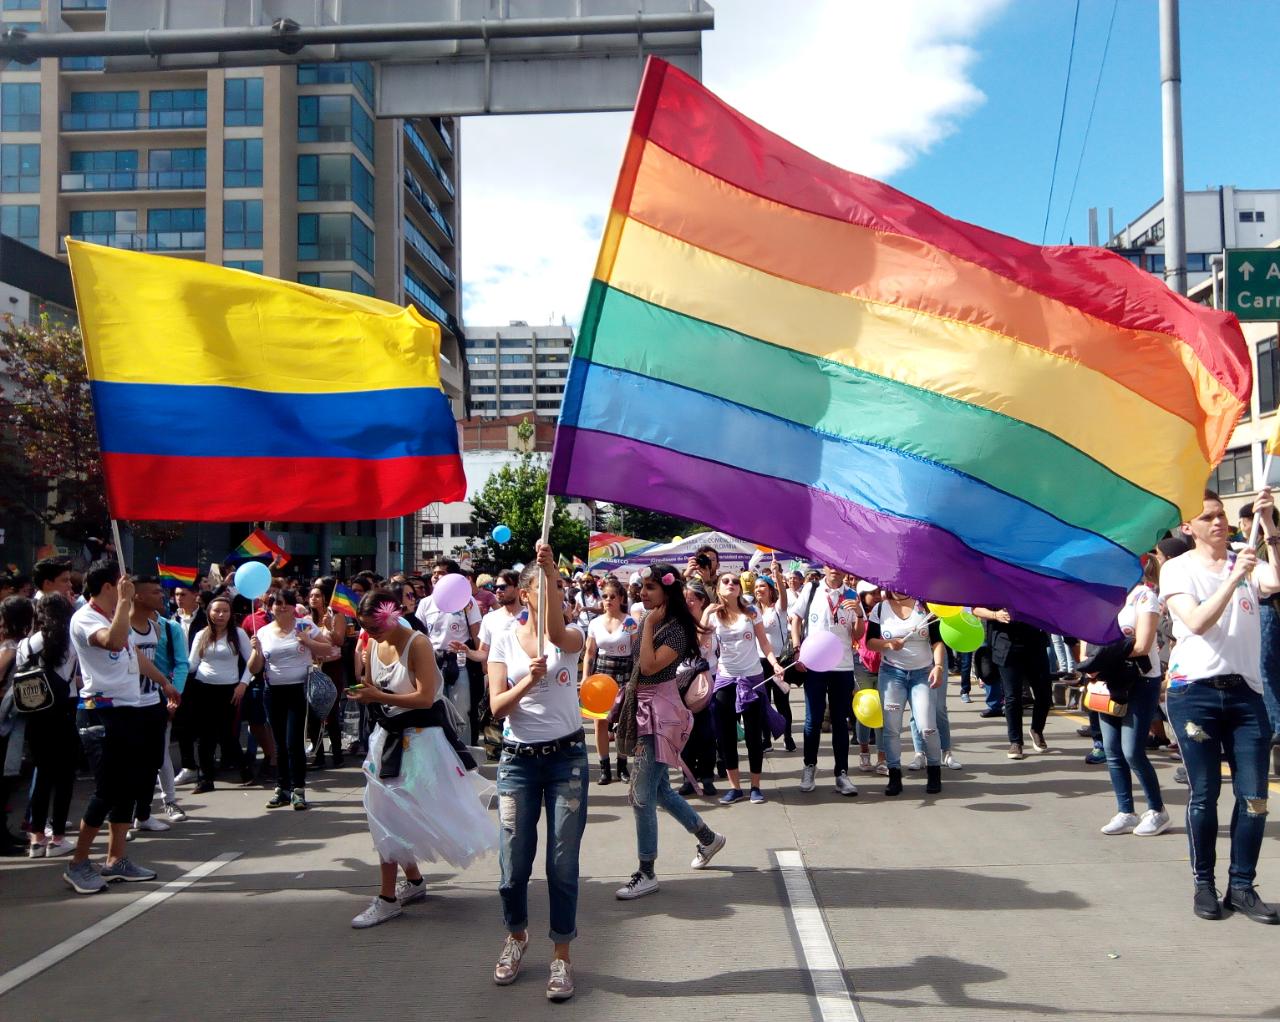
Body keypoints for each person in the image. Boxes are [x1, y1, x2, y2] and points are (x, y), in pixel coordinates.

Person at [1160, 488, 1279, 923]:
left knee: (1254, 798)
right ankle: (1204, 885)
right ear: (1188, 528)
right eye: (1208, 517)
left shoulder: (1247, 557)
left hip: (1246, 695)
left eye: (1221, 515)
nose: (1218, 522)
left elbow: (1277, 582)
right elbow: (1196, 621)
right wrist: (1233, 578)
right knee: (1205, 795)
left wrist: (1268, 528)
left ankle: (1243, 887)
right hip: (1196, 695)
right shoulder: (1177, 569)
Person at [345, 591, 496, 929]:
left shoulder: (419, 644)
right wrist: (363, 692)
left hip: (421, 742)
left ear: (389, 616)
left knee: (396, 815)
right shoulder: (372, 644)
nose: (368, 632)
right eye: (362, 626)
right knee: (386, 813)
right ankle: (411, 881)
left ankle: (388, 899)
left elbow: (425, 697)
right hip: (386, 738)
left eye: (372, 626)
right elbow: (373, 686)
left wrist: (376, 695)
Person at [487, 543, 587, 1001]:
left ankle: (562, 957)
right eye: (547, 588)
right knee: (513, 865)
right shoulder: (504, 638)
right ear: (524, 595)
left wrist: (549, 571)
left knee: (562, 865)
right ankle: (516, 935)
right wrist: (529, 679)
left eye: (561, 588)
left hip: (566, 759)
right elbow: (495, 707)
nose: (557, 594)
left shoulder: (570, 635)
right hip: (518, 762)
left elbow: (552, 628)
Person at [616, 563, 726, 899]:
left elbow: (648, 666)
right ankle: (708, 838)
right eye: (642, 587)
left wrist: (647, 624)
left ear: (667, 591)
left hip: (659, 718)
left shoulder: (676, 629)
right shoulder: (654, 620)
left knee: (640, 795)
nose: (642, 592)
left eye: (650, 587)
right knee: (660, 789)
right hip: (644, 710)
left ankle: (646, 871)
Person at [63, 563, 173, 894]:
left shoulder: (115, 615)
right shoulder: (85, 618)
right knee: (107, 790)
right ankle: (78, 863)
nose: (125, 589)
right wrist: (125, 604)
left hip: (131, 711)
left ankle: (116, 859)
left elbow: (132, 653)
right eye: (121, 585)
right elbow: (113, 642)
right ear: (111, 587)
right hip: (101, 713)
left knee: (131, 787)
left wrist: (164, 682)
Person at [1094, 557, 1170, 837]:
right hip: (1109, 679)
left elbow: (1143, 644)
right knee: (1112, 751)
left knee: (1132, 751)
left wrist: (1101, 656)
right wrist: (1091, 663)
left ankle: (1157, 810)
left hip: (1140, 680)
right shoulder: (1107, 597)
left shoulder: (1145, 596)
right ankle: (1126, 811)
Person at [246, 590, 336, 811]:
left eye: (287, 603)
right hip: (272, 691)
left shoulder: (304, 626)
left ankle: (298, 790)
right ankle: (282, 789)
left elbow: (328, 649)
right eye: (277, 603)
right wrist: (255, 651)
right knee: (279, 745)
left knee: (293, 742)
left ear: (294, 606)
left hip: (299, 690)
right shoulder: (264, 632)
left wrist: (307, 641)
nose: (282, 607)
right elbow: (254, 669)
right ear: (270, 606)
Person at [703, 571, 785, 804]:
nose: (731, 584)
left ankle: (755, 787)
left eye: (735, 582)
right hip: (725, 679)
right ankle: (735, 788)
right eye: (726, 582)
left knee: (753, 734)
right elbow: (701, 646)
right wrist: (704, 619)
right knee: (726, 735)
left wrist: (775, 663)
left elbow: (764, 642)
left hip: (752, 678)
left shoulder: (751, 611)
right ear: (718, 589)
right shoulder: (714, 615)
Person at [791, 564, 863, 796]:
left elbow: (858, 634)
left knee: (841, 721)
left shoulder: (852, 595)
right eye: (831, 565)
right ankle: (809, 766)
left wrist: (859, 615)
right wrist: (796, 650)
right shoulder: (811, 589)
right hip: (814, 664)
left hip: (842, 665)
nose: (836, 570)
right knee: (813, 719)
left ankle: (841, 773)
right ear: (824, 566)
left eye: (841, 567)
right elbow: (796, 620)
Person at [18, 594, 80, 857]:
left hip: (34, 716)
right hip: (63, 714)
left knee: (42, 776)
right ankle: (58, 838)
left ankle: (36, 838)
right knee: (64, 778)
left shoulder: (26, 644)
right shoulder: (69, 642)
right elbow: (77, 678)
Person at [867, 593, 946, 796]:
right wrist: (888, 644)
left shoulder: (926, 606)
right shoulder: (880, 609)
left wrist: (938, 666)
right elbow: (869, 642)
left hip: (922, 674)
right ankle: (894, 775)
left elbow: (937, 641)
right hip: (892, 674)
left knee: (926, 726)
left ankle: (934, 771)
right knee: (892, 728)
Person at [128, 575, 187, 830]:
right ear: (137, 596)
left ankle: (167, 803)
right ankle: (128, 815)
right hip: (127, 703)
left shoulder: (167, 628)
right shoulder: (122, 627)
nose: (162, 596)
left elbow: (182, 664)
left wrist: (173, 694)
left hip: (159, 700)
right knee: (131, 761)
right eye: (155, 592)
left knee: (159, 756)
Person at [186, 595, 254, 791]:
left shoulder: (238, 634)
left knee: (226, 735)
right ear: (209, 612)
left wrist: (243, 684)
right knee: (205, 736)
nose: (220, 615)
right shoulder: (202, 635)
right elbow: (192, 664)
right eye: (216, 611)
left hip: (229, 690)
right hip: (203, 688)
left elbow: (251, 662)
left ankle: (244, 769)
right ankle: (205, 778)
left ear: (231, 613)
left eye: (225, 611)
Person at [973, 607, 1051, 760]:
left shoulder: (1036, 584)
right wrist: (995, 615)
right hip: (1006, 644)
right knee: (1012, 696)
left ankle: (1037, 729)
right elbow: (976, 609)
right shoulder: (995, 584)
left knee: (1044, 693)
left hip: (1035, 643)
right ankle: (1016, 742)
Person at [582, 577, 636, 785]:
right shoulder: (595, 623)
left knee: (622, 722)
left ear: (621, 598)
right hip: (601, 675)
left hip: (624, 672)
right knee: (600, 722)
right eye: (605, 596)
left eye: (613, 596)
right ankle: (604, 767)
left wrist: (635, 679)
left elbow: (636, 650)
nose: (608, 600)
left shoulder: (630, 621)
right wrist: (586, 678)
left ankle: (622, 766)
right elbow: (589, 652)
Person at [0, 595, 34, 856]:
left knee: (7, 782)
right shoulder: (11, 647)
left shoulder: (16, 645)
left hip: (11, 721)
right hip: (4, 722)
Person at [679, 580, 718, 796]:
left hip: (709, 680)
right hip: (685, 682)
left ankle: (707, 777)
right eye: (685, 597)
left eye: (692, 597)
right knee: (687, 733)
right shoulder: (680, 622)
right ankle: (688, 778)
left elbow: (708, 650)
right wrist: (704, 618)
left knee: (707, 732)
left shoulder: (714, 621)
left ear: (703, 600)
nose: (688, 601)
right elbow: (695, 647)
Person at [306, 581, 348, 768]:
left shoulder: (336, 616)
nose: (313, 599)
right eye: (311, 596)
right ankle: (318, 755)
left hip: (332, 668)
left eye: (317, 595)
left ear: (325, 598)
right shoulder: (307, 619)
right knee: (313, 713)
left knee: (331, 712)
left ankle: (337, 754)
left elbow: (340, 641)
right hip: (313, 669)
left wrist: (329, 628)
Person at [754, 563, 795, 753]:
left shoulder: (778, 608)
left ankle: (787, 736)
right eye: (756, 587)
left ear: (770, 590)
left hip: (779, 662)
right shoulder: (752, 612)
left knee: (781, 702)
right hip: (759, 662)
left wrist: (777, 575)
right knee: (762, 702)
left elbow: (783, 594)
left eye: (762, 586)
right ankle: (766, 740)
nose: (758, 590)